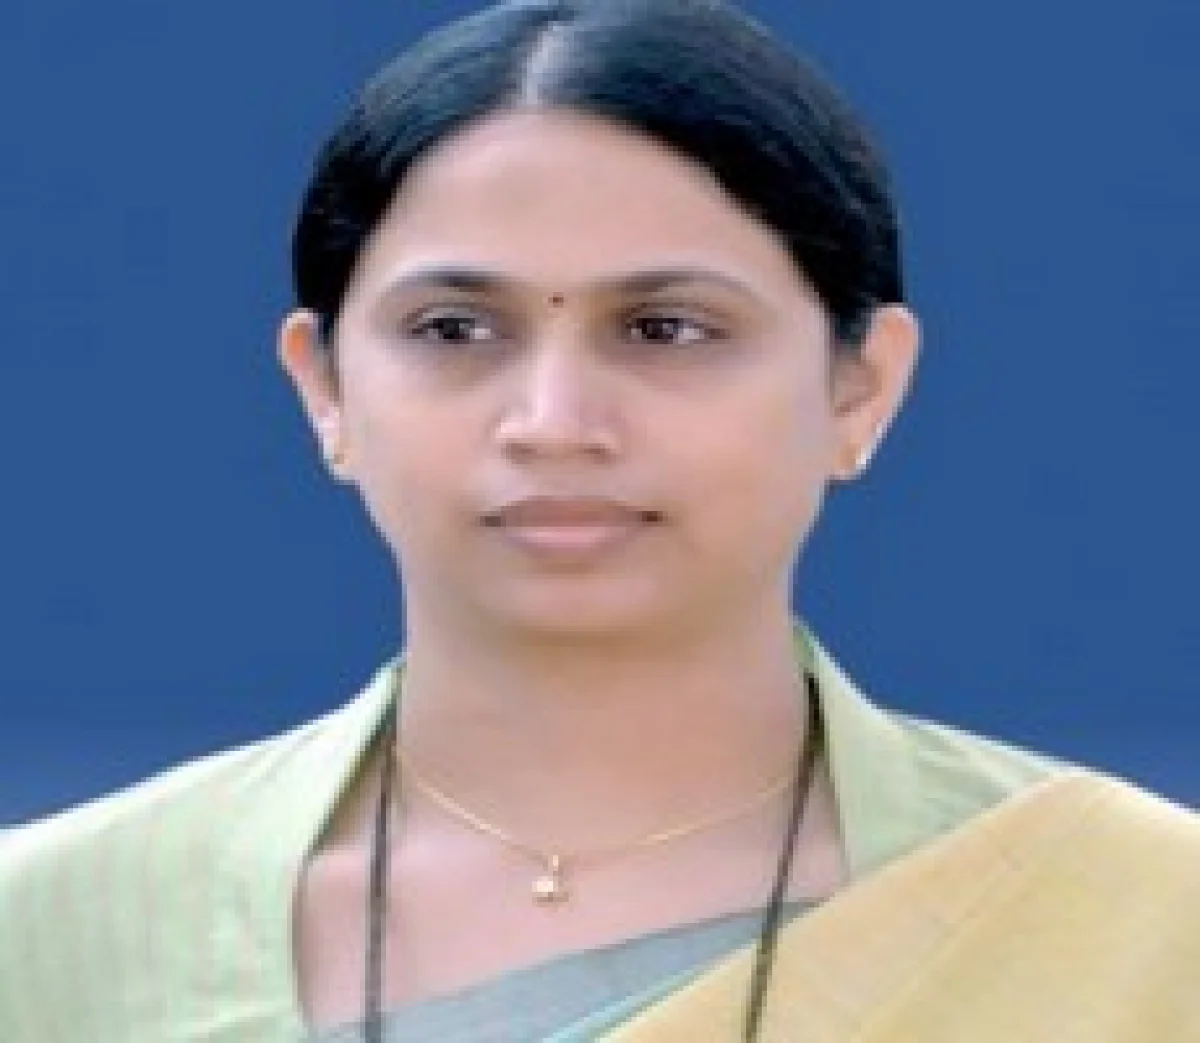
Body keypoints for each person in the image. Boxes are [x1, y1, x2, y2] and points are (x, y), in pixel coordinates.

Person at [2, 1, 1197, 1040]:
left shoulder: (1140, 919)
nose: (554, 422)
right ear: (326, 389)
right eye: (455, 330)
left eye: (666, 328)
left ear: (860, 386)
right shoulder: (56, 934)